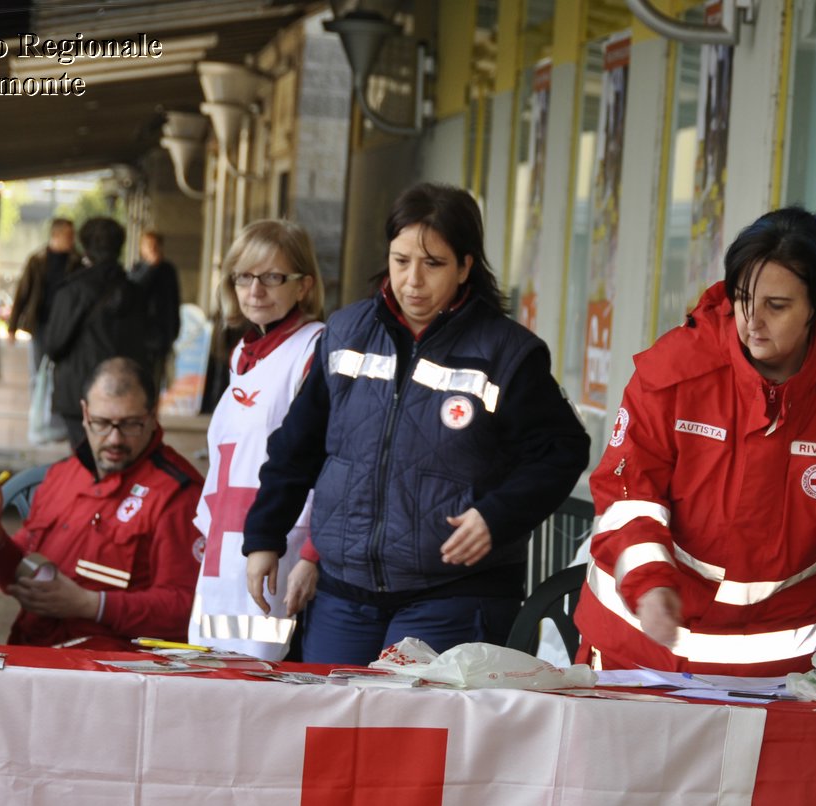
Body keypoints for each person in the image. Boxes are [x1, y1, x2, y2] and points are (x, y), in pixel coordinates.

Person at [241, 183, 591, 664]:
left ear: (466, 266)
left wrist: (497, 515)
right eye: (401, 260)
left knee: (420, 736)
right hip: (345, 595)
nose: (412, 281)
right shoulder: (346, 334)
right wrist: (264, 536)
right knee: (332, 731)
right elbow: (295, 447)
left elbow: (562, 450)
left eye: (433, 264)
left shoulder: (507, 352)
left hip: (455, 593)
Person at [572, 206, 816, 677]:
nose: (752, 321)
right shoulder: (675, 373)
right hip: (637, 650)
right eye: (741, 299)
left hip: (774, 675)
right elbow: (628, 495)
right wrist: (649, 582)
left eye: (777, 307)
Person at [0, 357, 205, 650]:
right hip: (34, 653)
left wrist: (92, 605)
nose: (114, 439)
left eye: (130, 424)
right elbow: (20, 580)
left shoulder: (177, 493)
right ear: (84, 414)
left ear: (153, 415)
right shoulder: (62, 475)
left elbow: (185, 609)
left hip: (111, 671)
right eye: (102, 423)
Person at [190, 220, 326, 661]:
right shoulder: (241, 354)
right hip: (225, 553)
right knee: (212, 666)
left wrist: (312, 552)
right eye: (244, 276)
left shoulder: (314, 348)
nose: (255, 290)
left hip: (279, 544)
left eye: (272, 277)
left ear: (303, 285)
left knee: (260, 673)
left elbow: (327, 457)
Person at [43, 217, 148, 449]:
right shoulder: (138, 294)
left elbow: (54, 346)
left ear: (85, 247)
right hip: (125, 397)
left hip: (79, 395)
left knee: (85, 463)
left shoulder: (72, 291)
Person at [8, 217, 75, 380]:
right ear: (56, 235)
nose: (72, 240)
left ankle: (52, 402)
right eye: (69, 235)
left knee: (61, 370)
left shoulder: (77, 262)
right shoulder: (37, 260)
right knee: (38, 371)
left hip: (66, 323)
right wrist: (12, 326)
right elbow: (23, 292)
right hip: (41, 323)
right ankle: (38, 404)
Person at [129, 229, 182, 385]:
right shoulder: (137, 269)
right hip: (140, 336)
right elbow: (136, 291)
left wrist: (174, 330)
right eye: (147, 245)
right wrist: (150, 268)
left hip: (161, 336)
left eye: (155, 245)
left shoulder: (169, 270)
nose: (152, 249)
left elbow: (174, 301)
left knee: (156, 380)